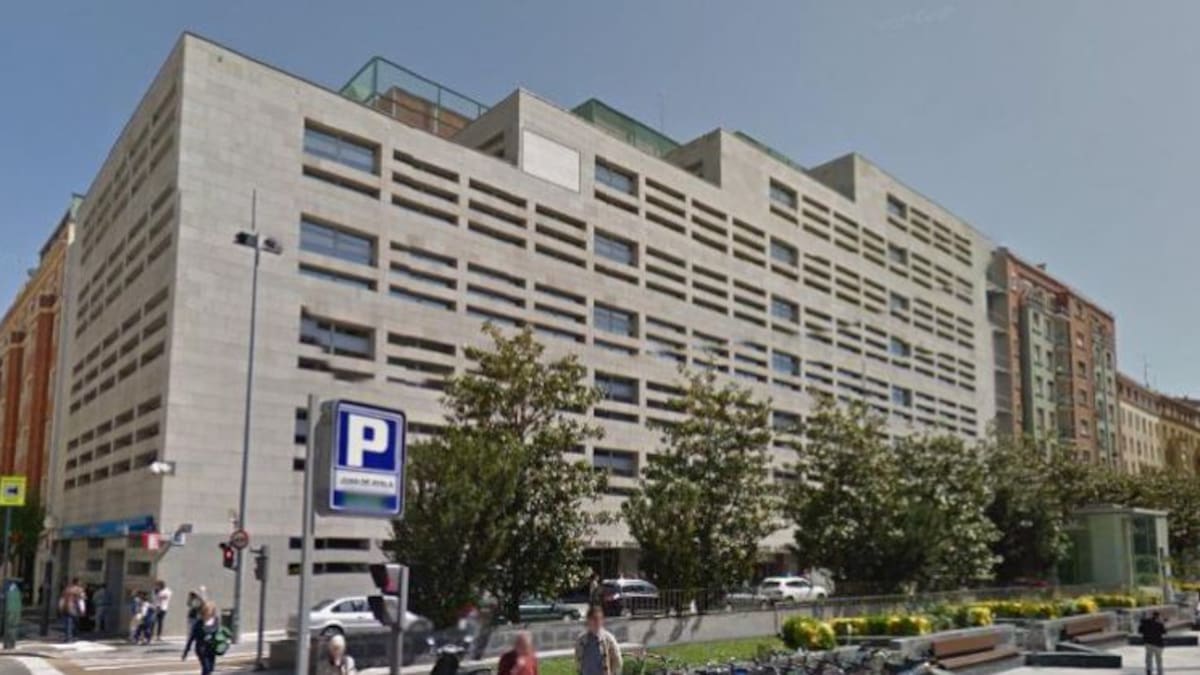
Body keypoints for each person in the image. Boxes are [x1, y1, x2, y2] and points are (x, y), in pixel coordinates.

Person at [575, 607, 621, 675]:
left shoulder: (608, 639)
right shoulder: (581, 640)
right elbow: (578, 661)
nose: (597, 622)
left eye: (600, 619)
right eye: (594, 619)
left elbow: (617, 661)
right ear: (588, 620)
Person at [182, 600, 221, 675]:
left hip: (212, 648)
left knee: (210, 669)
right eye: (205, 611)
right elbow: (192, 637)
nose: (207, 613)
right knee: (206, 667)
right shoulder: (199, 623)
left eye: (209, 611)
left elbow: (219, 633)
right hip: (201, 648)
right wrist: (186, 651)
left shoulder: (216, 620)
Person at [1138, 610, 1166, 675]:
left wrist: (1142, 623)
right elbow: (1164, 632)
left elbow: (1140, 630)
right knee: (1159, 659)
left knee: (1149, 658)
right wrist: (1163, 623)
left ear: (1152, 615)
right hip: (1158, 644)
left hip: (1148, 643)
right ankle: (1159, 672)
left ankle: (1149, 671)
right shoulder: (1159, 624)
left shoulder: (1146, 622)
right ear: (1158, 616)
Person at [59, 578, 85, 643]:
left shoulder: (66, 589)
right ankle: (73, 636)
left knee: (68, 623)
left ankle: (68, 637)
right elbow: (81, 600)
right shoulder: (79, 590)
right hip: (74, 608)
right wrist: (82, 609)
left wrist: (60, 607)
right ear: (78, 583)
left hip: (66, 607)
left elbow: (62, 599)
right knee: (75, 623)